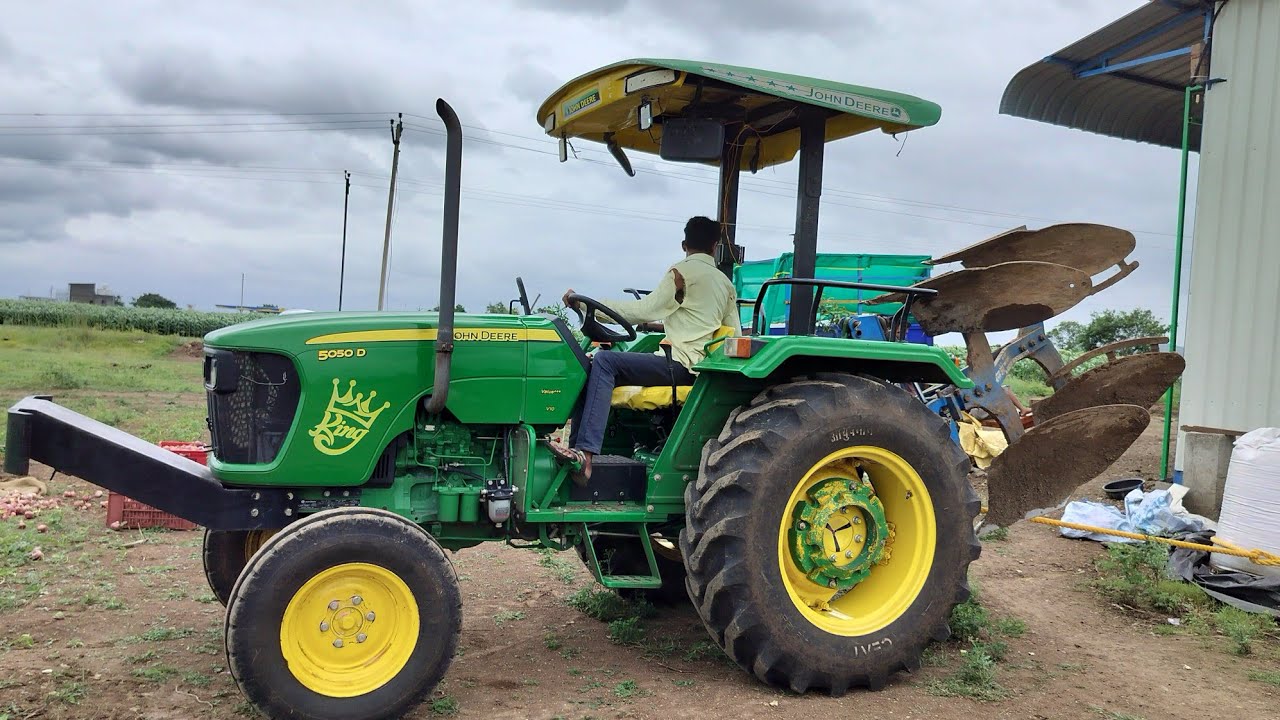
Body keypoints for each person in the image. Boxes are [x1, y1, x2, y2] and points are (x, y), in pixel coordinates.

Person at [552, 216, 739, 482]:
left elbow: (642, 310)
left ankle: (585, 454)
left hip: (680, 366)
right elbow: (733, 333)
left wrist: (585, 304)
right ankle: (579, 451)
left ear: (684, 244)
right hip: (700, 369)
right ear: (714, 246)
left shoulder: (681, 273)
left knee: (604, 362)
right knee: (599, 362)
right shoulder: (725, 285)